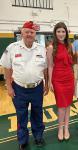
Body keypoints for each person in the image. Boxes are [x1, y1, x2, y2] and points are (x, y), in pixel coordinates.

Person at [0, 21, 48, 150]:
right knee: (21, 115)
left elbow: (45, 69)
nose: (29, 34)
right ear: (22, 32)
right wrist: (9, 87)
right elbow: (6, 68)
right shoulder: (12, 48)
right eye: (26, 31)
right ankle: (23, 140)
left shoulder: (41, 49)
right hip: (19, 88)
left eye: (32, 32)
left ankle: (38, 137)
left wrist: (47, 84)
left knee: (38, 113)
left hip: (37, 87)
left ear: (35, 34)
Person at [47, 22, 74, 141]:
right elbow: (50, 66)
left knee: (68, 105)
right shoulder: (51, 47)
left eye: (63, 31)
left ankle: (66, 127)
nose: (61, 34)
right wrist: (50, 82)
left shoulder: (70, 46)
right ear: (55, 33)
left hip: (69, 78)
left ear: (66, 33)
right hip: (58, 79)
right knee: (61, 106)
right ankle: (60, 128)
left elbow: (72, 63)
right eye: (59, 31)